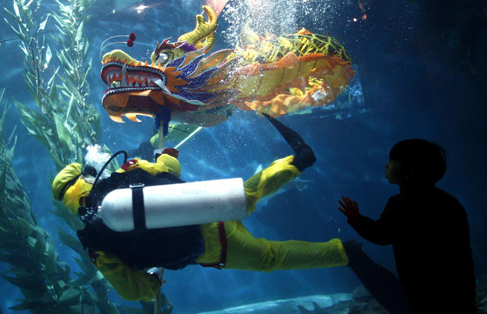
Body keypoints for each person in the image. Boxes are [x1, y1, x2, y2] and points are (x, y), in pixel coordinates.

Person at [52, 114, 349, 302]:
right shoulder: (125, 172)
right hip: (205, 205)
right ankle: (297, 161)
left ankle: (343, 253)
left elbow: (133, 291)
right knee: (249, 192)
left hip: (212, 248)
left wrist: (153, 279)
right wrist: (167, 154)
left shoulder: (97, 243)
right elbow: (168, 168)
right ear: (86, 175)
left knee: (271, 257)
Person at [338, 139, 477, 314]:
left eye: (392, 161)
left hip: (422, 289)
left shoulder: (400, 204)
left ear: (409, 173)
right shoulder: (450, 202)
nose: (386, 165)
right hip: (458, 287)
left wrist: (355, 218)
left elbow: (381, 235)